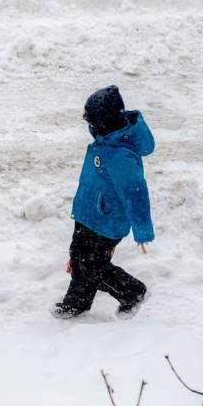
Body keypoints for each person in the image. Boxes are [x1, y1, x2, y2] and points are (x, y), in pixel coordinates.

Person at [52, 85, 154, 319]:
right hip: (89, 215)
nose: (87, 123)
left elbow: (135, 193)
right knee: (80, 259)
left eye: (91, 119)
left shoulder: (120, 154)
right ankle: (76, 302)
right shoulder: (106, 141)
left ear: (104, 121)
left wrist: (142, 230)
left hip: (106, 221)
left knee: (91, 265)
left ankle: (132, 291)